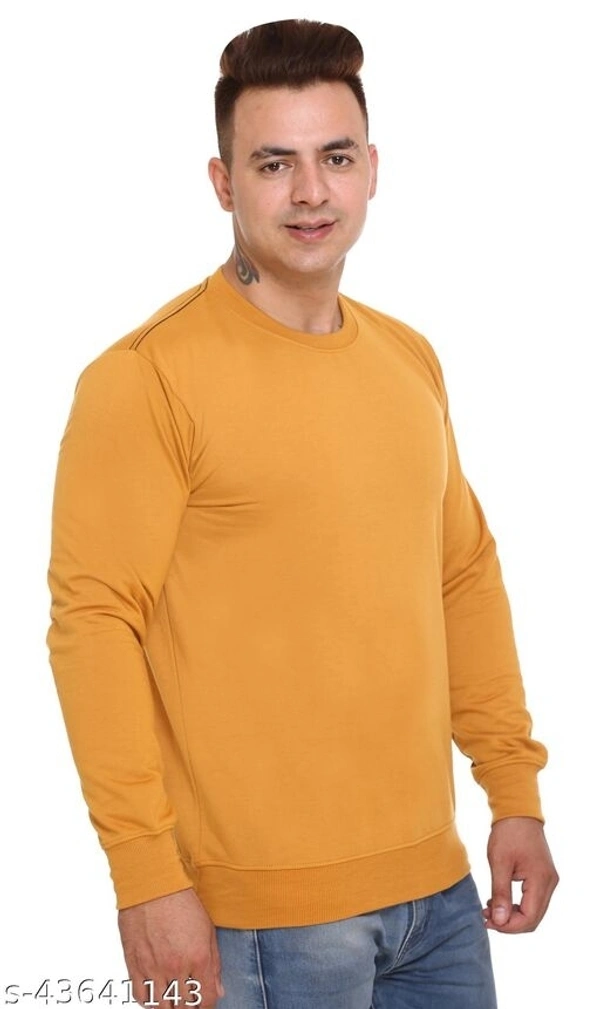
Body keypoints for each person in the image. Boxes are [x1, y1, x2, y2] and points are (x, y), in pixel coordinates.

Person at [46, 18, 558, 1009]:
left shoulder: (408, 359)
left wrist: (514, 793)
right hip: (259, 920)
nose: (311, 191)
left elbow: (461, 575)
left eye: (336, 157)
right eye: (274, 164)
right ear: (223, 182)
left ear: (373, 169)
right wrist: (145, 874)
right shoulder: (146, 379)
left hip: (439, 896)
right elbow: (94, 623)